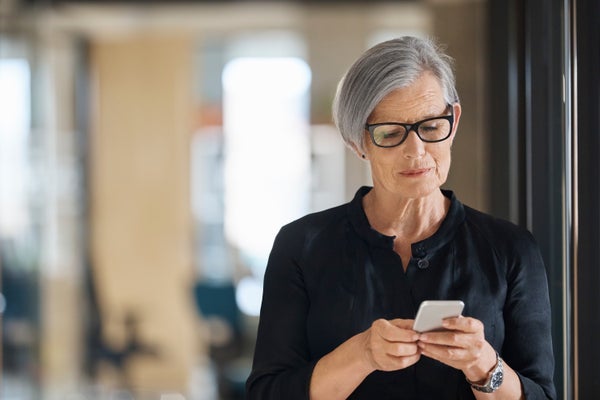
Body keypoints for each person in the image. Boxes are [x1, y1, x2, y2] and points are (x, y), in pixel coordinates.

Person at [245, 36, 556, 399]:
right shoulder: (301, 246)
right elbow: (267, 393)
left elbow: (543, 394)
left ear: (453, 121)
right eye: (391, 133)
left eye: (431, 127)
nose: (416, 151)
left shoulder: (511, 249)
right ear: (357, 142)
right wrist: (360, 355)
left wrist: (485, 364)